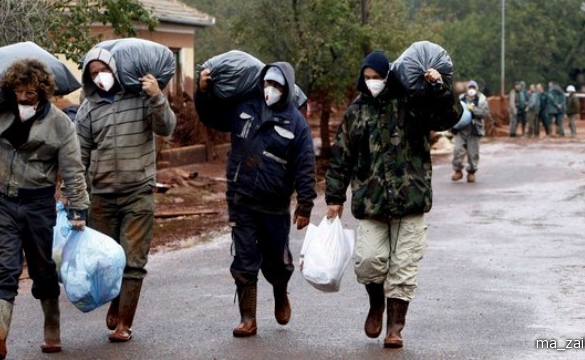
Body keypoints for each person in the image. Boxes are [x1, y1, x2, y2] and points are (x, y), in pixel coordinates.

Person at [0, 58, 89, 360]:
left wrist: (78, 209)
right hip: (4, 202)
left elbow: (73, 170)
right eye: (18, 91)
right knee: (6, 268)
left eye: (30, 92)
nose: (24, 98)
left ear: (43, 91)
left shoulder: (60, 124)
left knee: (42, 269)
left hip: (39, 205)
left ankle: (52, 330)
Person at [324, 51, 461, 349]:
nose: (372, 83)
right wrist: (334, 197)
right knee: (368, 261)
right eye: (367, 78)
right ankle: (376, 303)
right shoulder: (356, 112)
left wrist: (438, 87)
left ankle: (395, 327)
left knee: (404, 267)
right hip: (371, 203)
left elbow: (449, 116)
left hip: (410, 200)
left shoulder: (413, 103)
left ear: (390, 76)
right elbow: (340, 158)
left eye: (378, 77)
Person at [195, 62, 316, 338]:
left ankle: (280, 290)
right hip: (242, 199)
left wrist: (305, 204)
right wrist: (202, 92)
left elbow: (305, 164)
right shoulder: (245, 107)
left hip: (274, 205)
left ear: (286, 89)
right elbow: (210, 116)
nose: (269, 90)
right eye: (266, 84)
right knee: (244, 259)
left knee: (276, 261)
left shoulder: (295, 122)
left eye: (276, 86)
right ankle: (248, 319)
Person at [75, 48, 176, 342]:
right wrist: (76, 199)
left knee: (133, 260)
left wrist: (157, 96)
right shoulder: (88, 109)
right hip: (101, 197)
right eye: (93, 73)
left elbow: (166, 127)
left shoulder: (141, 100)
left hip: (138, 192)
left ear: (115, 70)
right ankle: (116, 302)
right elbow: (78, 158)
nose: (99, 77)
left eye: (103, 70)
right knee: (106, 260)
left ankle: (125, 324)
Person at [451, 80, 490, 183]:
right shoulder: (461, 98)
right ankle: (457, 171)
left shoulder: (481, 99)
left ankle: (471, 172)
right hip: (462, 130)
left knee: (473, 154)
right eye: (470, 87)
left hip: (474, 130)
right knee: (457, 151)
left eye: (473, 87)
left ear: (476, 89)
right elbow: (453, 111)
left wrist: (473, 109)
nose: (471, 90)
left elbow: (484, 113)